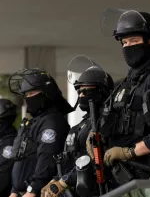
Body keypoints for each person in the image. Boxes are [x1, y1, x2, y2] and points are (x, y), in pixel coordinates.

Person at [83, 9, 150, 195]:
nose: (128, 46)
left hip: (149, 178)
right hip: (117, 178)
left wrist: (130, 152)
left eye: (134, 41)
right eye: (124, 42)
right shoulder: (125, 85)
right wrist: (94, 134)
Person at [40, 57, 114, 197]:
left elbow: (96, 158)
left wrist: (63, 182)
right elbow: (70, 160)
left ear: (102, 91)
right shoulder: (80, 126)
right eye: (79, 91)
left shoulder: (107, 122)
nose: (81, 95)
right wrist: (56, 180)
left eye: (87, 91)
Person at [8, 68, 73, 197]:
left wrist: (33, 190)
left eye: (32, 93)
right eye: (26, 95)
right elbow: (23, 158)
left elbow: (47, 158)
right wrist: (14, 191)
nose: (28, 98)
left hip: (41, 192)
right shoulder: (36, 121)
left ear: (46, 93)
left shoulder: (52, 121)